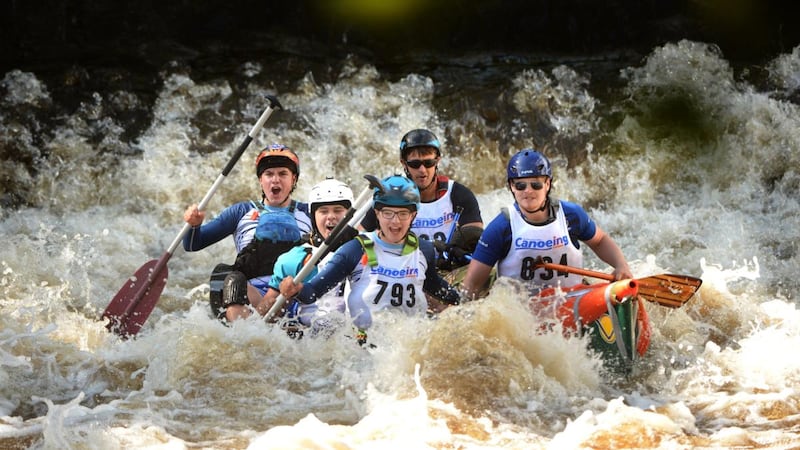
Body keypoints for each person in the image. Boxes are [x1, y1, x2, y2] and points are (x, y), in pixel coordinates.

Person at [278, 175, 461, 343]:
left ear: (413, 215)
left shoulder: (424, 249)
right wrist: (296, 289)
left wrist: (466, 303)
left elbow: (435, 286)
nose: (395, 222)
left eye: (403, 214)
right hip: (364, 343)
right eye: (388, 213)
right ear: (377, 214)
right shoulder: (354, 249)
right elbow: (313, 292)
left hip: (410, 343)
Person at [460, 148, 633, 301]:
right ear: (512, 187)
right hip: (522, 311)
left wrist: (621, 266)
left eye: (535, 184)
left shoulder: (571, 215)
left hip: (572, 301)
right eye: (520, 185)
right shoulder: (500, 227)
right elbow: (470, 288)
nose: (528, 191)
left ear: (547, 184)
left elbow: (600, 240)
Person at [182, 144, 312, 322]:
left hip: (293, 290)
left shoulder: (310, 212)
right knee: (232, 279)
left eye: (283, 174)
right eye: (269, 174)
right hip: (251, 294)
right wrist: (194, 225)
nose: (275, 180)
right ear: (260, 180)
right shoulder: (241, 211)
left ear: (293, 180)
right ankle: (246, 334)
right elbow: (192, 244)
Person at [360, 129, 484, 270]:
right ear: (404, 163)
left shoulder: (459, 194)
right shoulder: (389, 196)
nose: (422, 170)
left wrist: (455, 249)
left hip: (449, 271)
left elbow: (476, 238)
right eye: (415, 164)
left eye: (428, 163)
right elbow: (362, 237)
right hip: (404, 272)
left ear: (437, 161)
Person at [253, 177, 356, 335]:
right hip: (313, 338)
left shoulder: (366, 247)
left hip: (355, 334)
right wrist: (283, 296)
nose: (331, 217)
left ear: (349, 214)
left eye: (338, 210)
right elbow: (265, 318)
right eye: (323, 211)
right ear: (313, 216)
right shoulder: (295, 258)